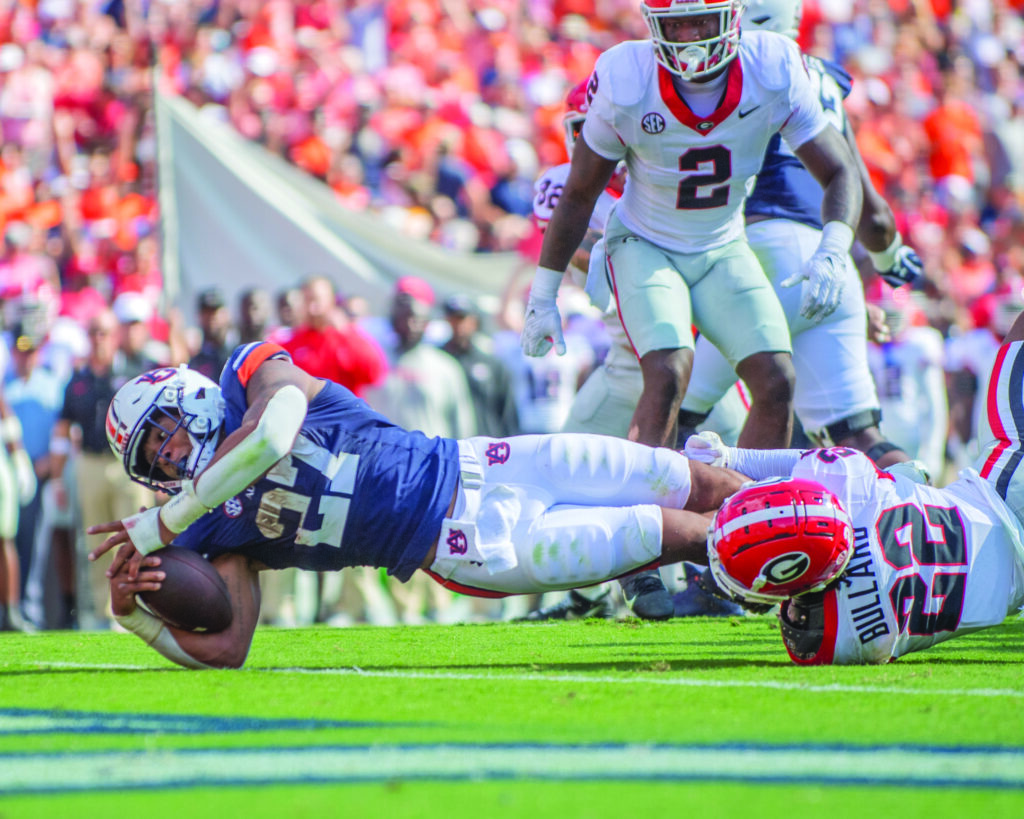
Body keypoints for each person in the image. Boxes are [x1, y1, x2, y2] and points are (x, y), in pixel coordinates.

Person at [87, 340, 746, 668]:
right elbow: (229, 646)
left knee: (702, 482)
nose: (171, 455)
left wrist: (163, 519)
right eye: (155, 459)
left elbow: (271, 434)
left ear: (187, 395)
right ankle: (813, 561)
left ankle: (833, 500)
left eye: (165, 431)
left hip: (488, 461)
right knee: (682, 532)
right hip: (468, 547)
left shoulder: (246, 376)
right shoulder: (208, 526)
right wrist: (137, 620)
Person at [521, 0, 863, 452]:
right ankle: (660, 509)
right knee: (670, 368)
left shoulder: (773, 65)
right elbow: (580, 194)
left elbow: (840, 170)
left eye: (701, 22)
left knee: (777, 379)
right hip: (645, 243)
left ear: (733, 16)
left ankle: (756, 508)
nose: (689, 40)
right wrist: (542, 296)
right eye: (675, 26)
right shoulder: (628, 75)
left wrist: (834, 247)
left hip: (722, 245)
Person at [685, 298, 1024, 663]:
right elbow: (803, 463)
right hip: (1002, 496)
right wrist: (731, 457)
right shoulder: (853, 492)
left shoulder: (844, 645)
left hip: (1013, 586)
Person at [676, 0, 925, 469]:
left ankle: (705, 533)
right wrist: (891, 256)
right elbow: (871, 211)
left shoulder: (737, 66)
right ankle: (921, 519)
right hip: (831, 264)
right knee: (859, 436)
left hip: (759, 257)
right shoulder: (824, 78)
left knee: (675, 416)